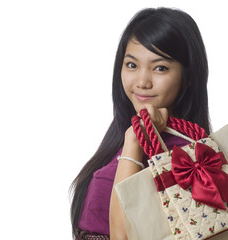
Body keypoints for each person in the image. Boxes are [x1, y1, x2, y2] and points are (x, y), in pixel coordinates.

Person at [70, 7, 210, 240]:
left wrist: (135, 141)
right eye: (132, 65)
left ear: (188, 77)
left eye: (160, 68)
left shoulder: (188, 157)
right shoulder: (119, 133)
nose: (142, 82)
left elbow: (122, 237)